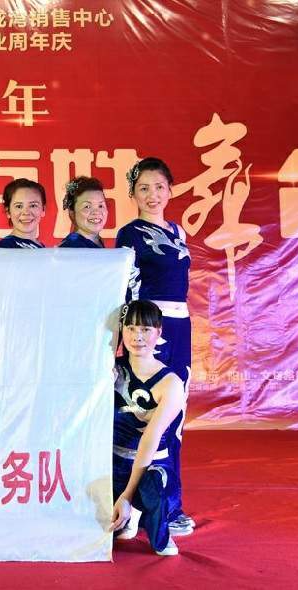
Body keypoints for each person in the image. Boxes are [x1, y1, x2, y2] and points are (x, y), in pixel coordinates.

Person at [116, 156, 194, 535]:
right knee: (150, 414)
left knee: (176, 416)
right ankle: (147, 505)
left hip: (181, 328)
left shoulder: (178, 230)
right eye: (143, 188)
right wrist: (126, 340)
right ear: (132, 193)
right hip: (151, 330)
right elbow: (125, 290)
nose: (152, 195)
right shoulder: (129, 234)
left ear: (170, 191)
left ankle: (167, 501)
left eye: (159, 187)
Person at [109, 300, 186, 556]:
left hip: (150, 465)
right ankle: (127, 514)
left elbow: (149, 440)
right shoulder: (111, 370)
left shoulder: (170, 383)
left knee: (153, 487)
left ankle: (147, 517)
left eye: (145, 329)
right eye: (130, 328)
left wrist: (127, 495)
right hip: (112, 463)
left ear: (158, 332)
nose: (137, 337)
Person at [0, 178, 47, 249]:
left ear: (43, 209)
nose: (26, 212)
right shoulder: (4, 247)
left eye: (33, 205)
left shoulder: (42, 247)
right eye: (19, 206)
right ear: (8, 211)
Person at [57, 176, 107, 248]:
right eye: (87, 206)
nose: (96, 212)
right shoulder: (72, 246)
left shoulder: (97, 241)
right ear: (72, 213)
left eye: (100, 206)